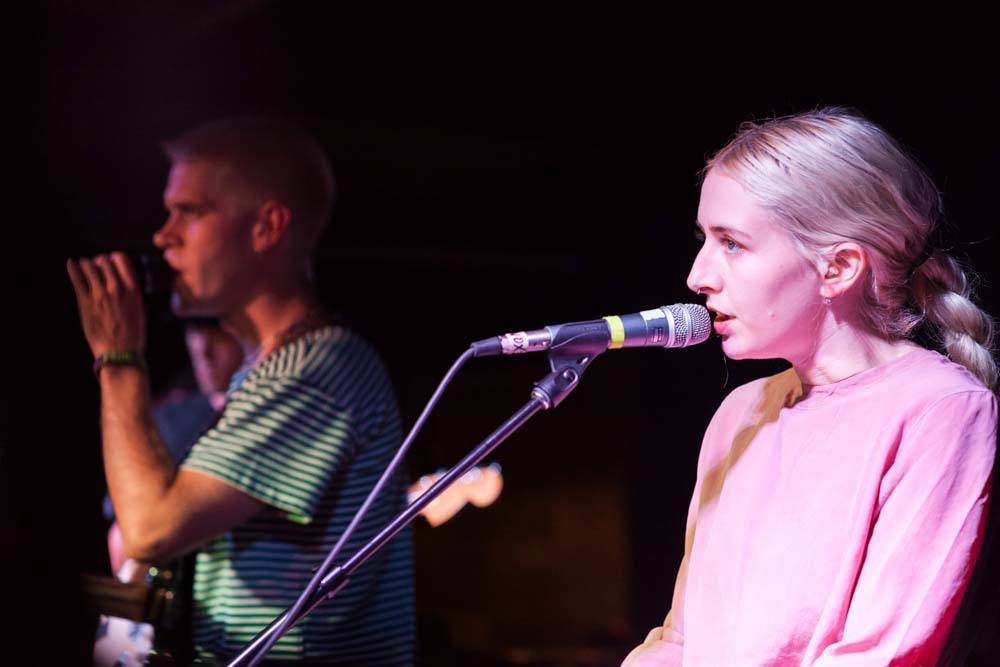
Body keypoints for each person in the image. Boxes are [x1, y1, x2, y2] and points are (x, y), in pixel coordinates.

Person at [622, 107, 997, 666]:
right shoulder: (740, 411)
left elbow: (880, 655)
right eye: (704, 238)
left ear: (838, 268)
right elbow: (683, 638)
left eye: (731, 243)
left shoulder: (939, 409)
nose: (697, 276)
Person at [68, 116, 415, 665]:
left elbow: (150, 528)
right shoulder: (271, 367)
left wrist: (118, 356)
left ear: (267, 228)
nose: (163, 236)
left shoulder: (317, 369)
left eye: (191, 212)